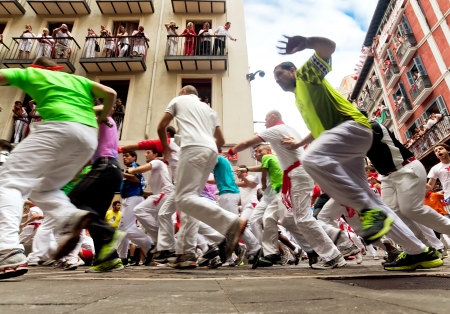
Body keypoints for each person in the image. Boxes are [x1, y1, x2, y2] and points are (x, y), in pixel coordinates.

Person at [274, 35, 440, 270]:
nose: (277, 81)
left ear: (291, 70)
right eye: (275, 79)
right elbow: (316, 129)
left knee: (311, 160)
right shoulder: (299, 100)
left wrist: (306, 43)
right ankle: (419, 252)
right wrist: (299, 142)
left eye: (279, 75)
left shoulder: (305, 76)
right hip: (344, 141)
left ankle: (369, 210)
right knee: (368, 196)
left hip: (352, 128)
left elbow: (329, 47)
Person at [0, 56, 116, 279]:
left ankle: (6, 250)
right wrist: (103, 116)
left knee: (9, 183)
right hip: (87, 137)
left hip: (57, 128)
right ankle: (69, 217)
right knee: (43, 189)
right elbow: (110, 93)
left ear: (36, 66)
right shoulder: (78, 80)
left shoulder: (32, 73)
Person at [230, 110, 349, 269]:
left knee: (303, 218)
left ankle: (334, 254)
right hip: (294, 178)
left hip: (297, 176)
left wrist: (230, 151)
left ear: (273, 118)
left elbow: (246, 144)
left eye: (266, 119)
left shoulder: (274, 130)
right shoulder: (290, 130)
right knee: (279, 217)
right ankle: (278, 252)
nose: (264, 123)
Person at [156, 85, 245, 268]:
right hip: (211, 152)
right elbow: (220, 140)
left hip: (192, 148)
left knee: (183, 198)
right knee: (191, 202)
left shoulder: (179, 99)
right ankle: (186, 254)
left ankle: (230, 223)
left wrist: (165, 147)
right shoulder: (210, 110)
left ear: (183, 92)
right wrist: (207, 144)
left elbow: (161, 126)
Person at [68, 104, 125, 273]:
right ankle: (110, 259)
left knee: (73, 200)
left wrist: (78, 108)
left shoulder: (104, 118)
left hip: (105, 166)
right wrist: (75, 172)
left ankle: (109, 232)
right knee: (94, 216)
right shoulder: (100, 125)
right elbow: (90, 154)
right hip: (110, 168)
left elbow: (107, 107)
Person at [116, 151, 155, 267]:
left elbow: (136, 179)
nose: (124, 157)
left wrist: (121, 173)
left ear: (134, 157)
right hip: (130, 198)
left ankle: (150, 246)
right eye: (123, 156)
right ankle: (122, 257)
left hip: (133, 198)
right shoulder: (130, 168)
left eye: (127, 155)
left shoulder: (133, 167)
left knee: (124, 228)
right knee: (123, 230)